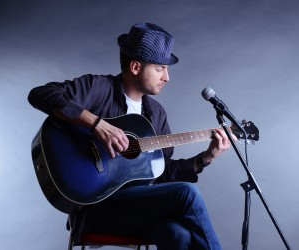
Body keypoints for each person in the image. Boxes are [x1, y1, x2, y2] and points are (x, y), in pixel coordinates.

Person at [28, 22, 234, 250]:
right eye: (159, 68)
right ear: (136, 67)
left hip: (139, 211)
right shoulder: (99, 88)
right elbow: (41, 94)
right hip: (95, 208)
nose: (167, 77)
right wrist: (97, 124)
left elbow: (160, 173)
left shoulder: (156, 113)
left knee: (177, 234)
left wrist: (206, 158)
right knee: (187, 193)